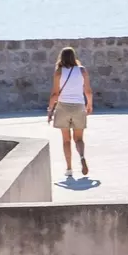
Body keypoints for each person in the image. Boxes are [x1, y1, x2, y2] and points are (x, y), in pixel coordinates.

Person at [46, 47, 93, 179]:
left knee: (66, 140)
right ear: (74, 57)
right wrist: (89, 105)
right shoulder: (82, 70)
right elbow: (88, 90)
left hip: (63, 107)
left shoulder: (59, 72)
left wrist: (50, 110)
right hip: (79, 106)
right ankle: (82, 156)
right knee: (78, 139)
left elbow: (55, 94)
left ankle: (69, 168)